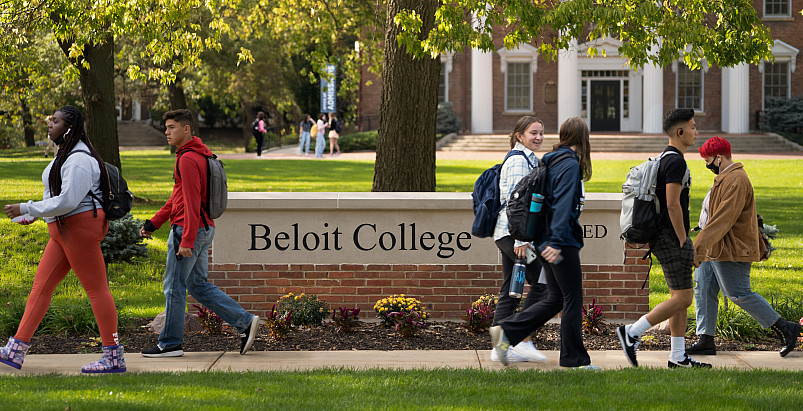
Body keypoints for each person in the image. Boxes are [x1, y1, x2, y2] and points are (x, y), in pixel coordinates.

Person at [1, 106, 126, 373]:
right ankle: (15, 349)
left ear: (68, 128)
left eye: (55, 121)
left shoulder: (79, 159)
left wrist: (27, 207)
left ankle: (113, 358)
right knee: (41, 287)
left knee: (96, 290)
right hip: (62, 230)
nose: (49, 124)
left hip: (79, 230)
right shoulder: (66, 154)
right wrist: (37, 215)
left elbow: (69, 200)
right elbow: (56, 197)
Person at [139, 109, 259, 357]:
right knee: (198, 285)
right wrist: (155, 222)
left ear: (187, 129)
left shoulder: (187, 159)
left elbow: (192, 203)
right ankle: (245, 322)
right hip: (204, 228)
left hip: (189, 230)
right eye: (166, 127)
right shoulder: (198, 155)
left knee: (174, 287)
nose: (167, 131)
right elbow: (177, 197)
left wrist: (187, 241)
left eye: (172, 127)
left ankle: (170, 343)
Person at [490, 117, 595, 369]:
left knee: (555, 297)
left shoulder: (549, 160)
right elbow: (562, 205)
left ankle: (507, 331)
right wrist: (557, 241)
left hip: (543, 238)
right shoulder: (569, 165)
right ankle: (574, 360)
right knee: (571, 297)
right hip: (560, 242)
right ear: (583, 138)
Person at [687, 136, 801, 357]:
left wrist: (697, 246)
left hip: (730, 248)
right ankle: (706, 339)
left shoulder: (736, 179)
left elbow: (723, 218)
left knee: (738, 293)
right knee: (704, 288)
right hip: (716, 246)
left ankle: (786, 328)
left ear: (719, 158)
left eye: (708, 160)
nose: (706, 165)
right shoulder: (724, 177)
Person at [616, 108, 711, 368]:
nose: (696, 131)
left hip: (664, 236)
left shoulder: (666, 157)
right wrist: (683, 239)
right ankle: (632, 332)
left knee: (679, 297)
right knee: (684, 299)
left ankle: (678, 356)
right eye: (692, 127)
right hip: (671, 238)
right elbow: (672, 204)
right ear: (679, 132)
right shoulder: (675, 161)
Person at [489, 116, 549, 363]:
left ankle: (499, 348)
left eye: (541, 133)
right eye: (533, 133)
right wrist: (521, 240)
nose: (538, 137)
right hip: (514, 236)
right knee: (544, 284)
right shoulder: (518, 161)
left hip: (510, 235)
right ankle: (522, 340)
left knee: (509, 290)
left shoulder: (528, 159)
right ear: (519, 136)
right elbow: (516, 204)